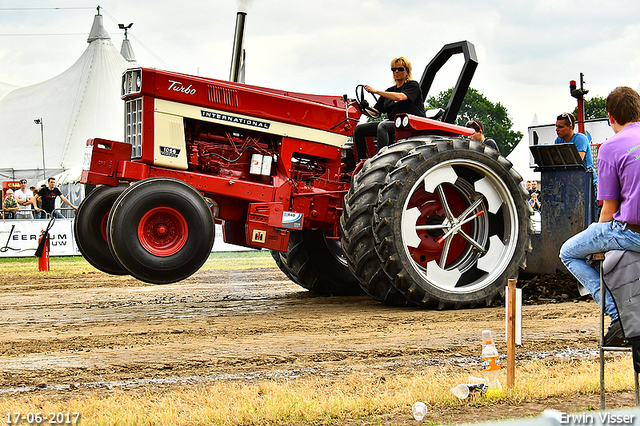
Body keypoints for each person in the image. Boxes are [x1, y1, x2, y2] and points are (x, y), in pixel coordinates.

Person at [559, 86, 640, 347]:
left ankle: (619, 318)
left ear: (610, 117)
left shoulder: (610, 147)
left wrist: (598, 236)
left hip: (631, 231)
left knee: (569, 252)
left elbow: (609, 208)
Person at [353, 56, 426, 161]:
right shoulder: (389, 91)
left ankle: (380, 159)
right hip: (394, 124)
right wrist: (358, 108)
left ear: (407, 71)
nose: (396, 71)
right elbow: (374, 112)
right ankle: (360, 161)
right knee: (359, 129)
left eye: (400, 69)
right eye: (394, 69)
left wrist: (376, 91)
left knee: (383, 126)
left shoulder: (412, 86)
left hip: (410, 125)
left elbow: (401, 97)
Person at [554, 112, 597, 185]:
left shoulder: (580, 138)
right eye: (556, 126)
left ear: (570, 127)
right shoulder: (558, 140)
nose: (557, 129)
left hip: (586, 181)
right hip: (570, 180)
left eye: (560, 127)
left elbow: (577, 161)